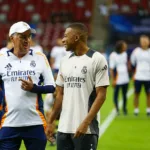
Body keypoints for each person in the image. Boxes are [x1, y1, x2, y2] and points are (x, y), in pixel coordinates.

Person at [46, 23, 110, 150]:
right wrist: (51, 121)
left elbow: (101, 95)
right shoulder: (64, 60)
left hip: (86, 129)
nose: (63, 40)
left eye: (65, 36)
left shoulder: (97, 59)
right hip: (63, 129)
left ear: (76, 38)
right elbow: (60, 94)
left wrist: (86, 123)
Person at [0, 21, 55, 150]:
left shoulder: (40, 57)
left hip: (35, 122)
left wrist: (34, 88)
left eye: (29, 36)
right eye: (22, 36)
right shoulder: (1, 58)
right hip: (8, 123)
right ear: (11, 38)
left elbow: (51, 86)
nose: (27, 40)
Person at [130, 35, 150, 116]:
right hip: (138, 76)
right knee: (136, 93)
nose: (144, 43)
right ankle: (136, 110)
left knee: (148, 94)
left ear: (148, 42)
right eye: (142, 41)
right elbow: (132, 62)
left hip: (148, 77)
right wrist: (134, 73)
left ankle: (148, 109)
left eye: (146, 41)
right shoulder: (136, 51)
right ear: (140, 42)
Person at [109, 40, 129, 115]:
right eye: (124, 46)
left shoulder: (125, 54)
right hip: (117, 78)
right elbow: (111, 68)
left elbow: (126, 65)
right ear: (120, 47)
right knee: (116, 95)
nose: (126, 47)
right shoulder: (113, 55)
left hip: (125, 77)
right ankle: (117, 109)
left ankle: (124, 109)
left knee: (124, 94)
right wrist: (113, 79)